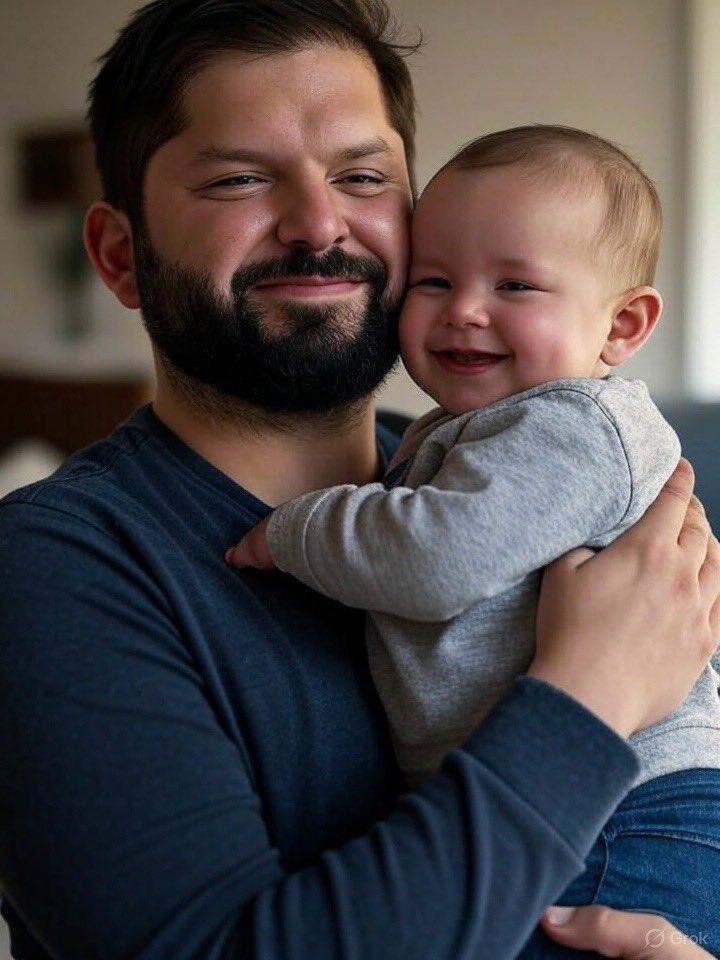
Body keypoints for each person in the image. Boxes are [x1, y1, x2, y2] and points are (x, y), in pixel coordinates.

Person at [0, 2, 717, 958]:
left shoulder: (502, 466)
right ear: (120, 256)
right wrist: (588, 694)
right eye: (240, 179)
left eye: (363, 176)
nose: (317, 223)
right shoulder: (55, 567)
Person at [227, 124, 720, 957]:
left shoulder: (573, 426)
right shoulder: (458, 429)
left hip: (626, 808)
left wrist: (295, 529)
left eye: (517, 284)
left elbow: (437, 559)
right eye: (435, 279)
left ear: (623, 325)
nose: (465, 309)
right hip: (568, 797)